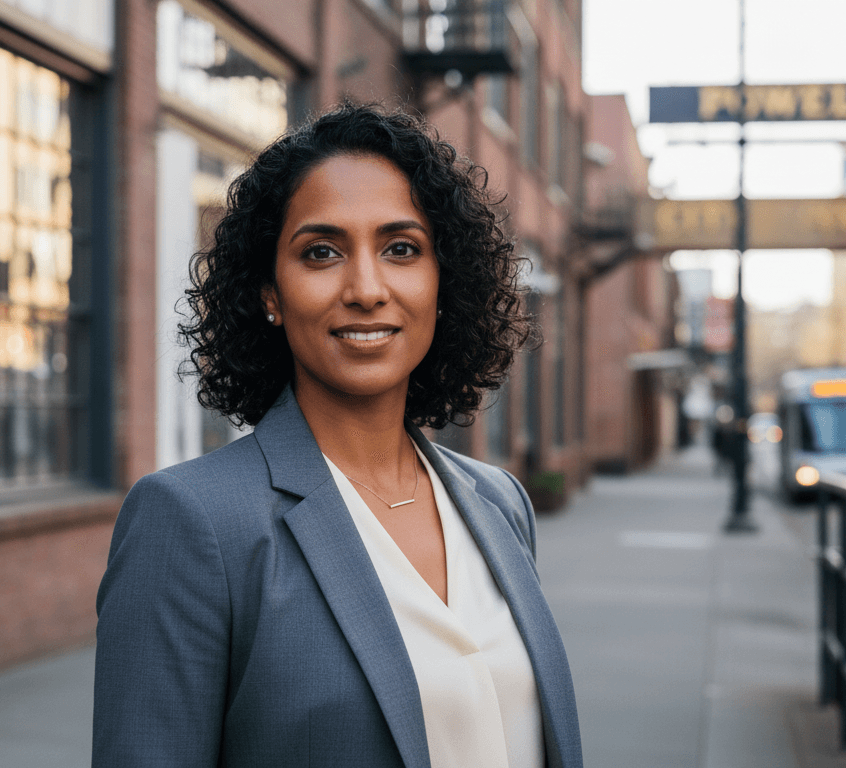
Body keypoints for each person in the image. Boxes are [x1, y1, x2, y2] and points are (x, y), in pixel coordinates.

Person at [93, 103, 582, 768]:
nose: (366, 288)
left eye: (401, 249)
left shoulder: (499, 503)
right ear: (271, 291)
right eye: (321, 252)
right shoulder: (192, 522)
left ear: (444, 281)